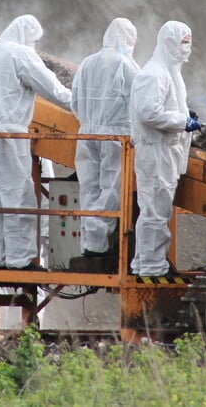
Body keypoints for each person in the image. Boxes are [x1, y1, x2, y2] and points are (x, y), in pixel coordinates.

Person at [0, 14, 73, 270]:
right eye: (34, 40)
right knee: (16, 193)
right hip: (8, 134)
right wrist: (86, 105)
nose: (34, 45)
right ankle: (19, 260)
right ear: (28, 36)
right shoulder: (21, 54)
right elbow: (54, 90)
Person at [129, 21, 201, 277]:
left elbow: (166, 106)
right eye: (183, 41)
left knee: (158, 209)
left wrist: (184, 114)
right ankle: (150, 266)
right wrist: (183, 121)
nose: (187, 47)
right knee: (154, 211)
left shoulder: (171, 72)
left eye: (188, 41)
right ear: (169, 42)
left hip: (165, 152)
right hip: (155, 152)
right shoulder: (154, 73)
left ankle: (146, 262)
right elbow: (149, 112)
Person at [70, 18, 140, 269]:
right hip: (115, 136)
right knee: (112, 187)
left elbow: (74, 100)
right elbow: (139, 104)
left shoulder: (87, 63)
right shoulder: (126, 65)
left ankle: (89, 243)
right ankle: (99, 242)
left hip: (87, 133)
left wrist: (88, 122)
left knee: (89, 187)